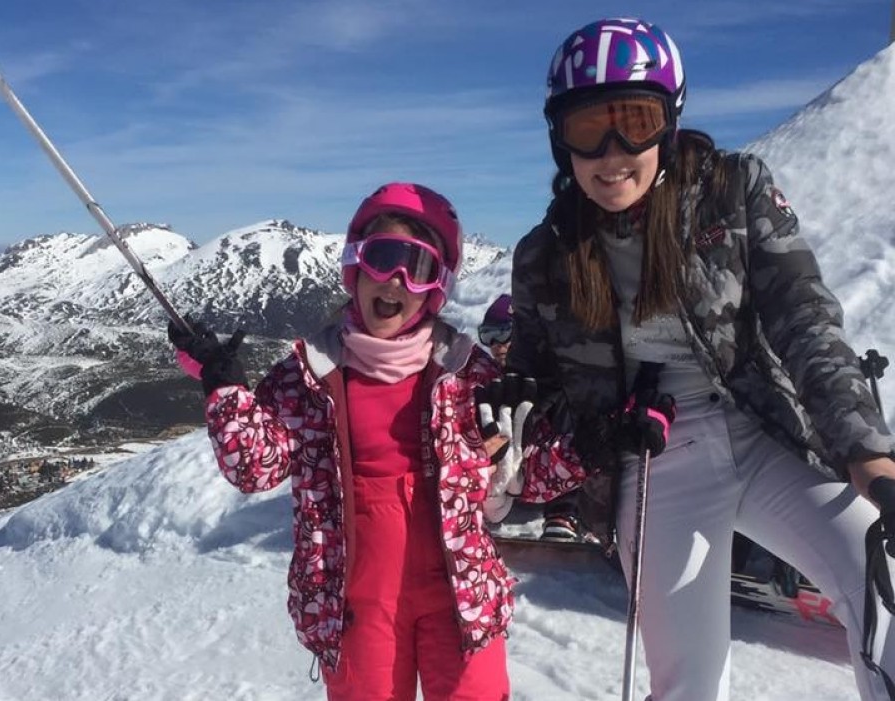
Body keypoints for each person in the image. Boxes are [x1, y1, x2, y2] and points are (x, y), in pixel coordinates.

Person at [507, 17, 895, 700]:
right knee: (688, 678)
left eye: (635, 120)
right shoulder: (546, 257)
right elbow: (539, 387)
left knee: (880, 575)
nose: (612, 150)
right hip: (656, 466)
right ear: (557, 139)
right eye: (586, 128)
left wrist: (866, 447)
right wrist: (556, 439)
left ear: (670, 122)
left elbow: (802, 314)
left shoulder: (731, 192)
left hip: (765, 431)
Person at [169, 182, 581, 700]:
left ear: (436, 287)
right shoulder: (309, 374)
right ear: (356, 267)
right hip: (356, 600)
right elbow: (257, 468)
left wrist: (590, 439)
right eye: (382, 258)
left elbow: (525, 472)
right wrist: (224, 387)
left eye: (419, 268)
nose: (396, 281)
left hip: (459, 594)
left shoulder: (464, 371)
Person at [480, 293, 588, 543]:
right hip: (511, 480)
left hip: (551, 469)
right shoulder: (489, 376)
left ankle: (563, 511)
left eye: (503, 334)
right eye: (488, 335)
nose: (496, 345)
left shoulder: (555, 372)